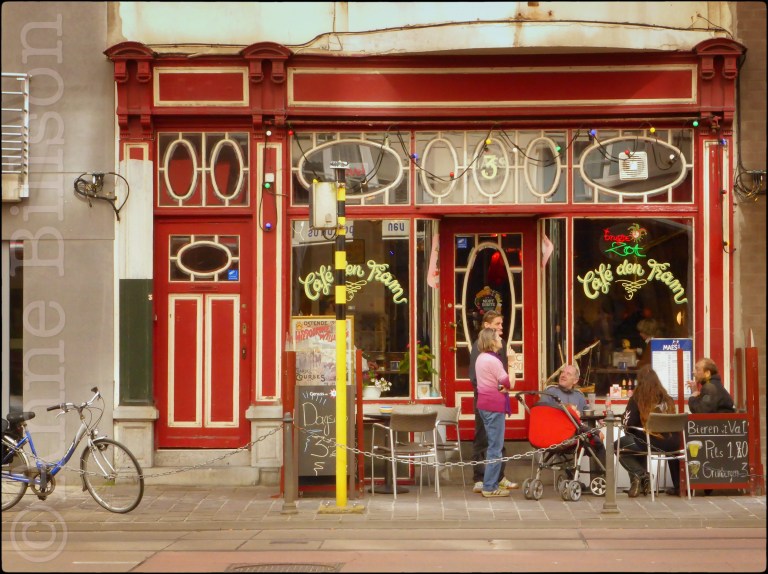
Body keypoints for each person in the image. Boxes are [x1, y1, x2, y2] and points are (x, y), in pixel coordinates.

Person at [468, 311, 517, 493]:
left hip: (495, 398)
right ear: (487, 325)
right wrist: (497, 387)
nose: (501, 328)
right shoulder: (478, 348)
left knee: (498, 440)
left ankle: (498, 476)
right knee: (483, 438)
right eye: (497, 324)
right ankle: (481, 477)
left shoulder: (501, 344)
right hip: (486, 398)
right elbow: (475, 377)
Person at [617, 365, 681, 497]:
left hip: (650, 443)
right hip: (674, 443)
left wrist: (623, 417)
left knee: (618, 445)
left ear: (640, 382)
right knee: (637, 439)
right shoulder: (668, 399)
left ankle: (641, 474)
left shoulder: (637, 399)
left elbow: (628, 424)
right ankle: (678, 486)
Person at [540, 364, 606, 480]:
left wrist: (597, 417)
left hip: (575, 436)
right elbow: (542, 411)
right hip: (556, 436)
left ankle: (600, 480)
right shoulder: (550, 392)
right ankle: (580, 478)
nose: (563, 375)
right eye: (562, 373)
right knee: (594, 439)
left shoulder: (579, 396)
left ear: (575, 380)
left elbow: (586, 411)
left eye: (568, 374)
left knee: (597, 443)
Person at [475, 328, 513, 497]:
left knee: (492, 445)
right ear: (492, 341)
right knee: (495, 448)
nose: (500, 339)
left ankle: (491, 482)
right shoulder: (494, 361)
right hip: (494, 406)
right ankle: (490, 487)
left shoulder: (480, 358)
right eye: (498, 337)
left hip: (483, 404)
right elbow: (509, 382)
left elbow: (492, 382)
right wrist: (511, 362)